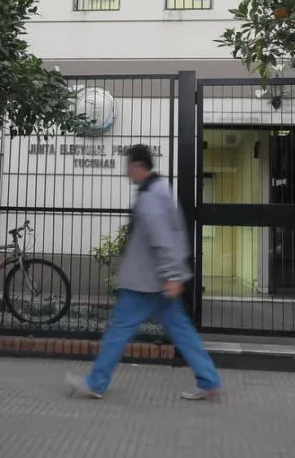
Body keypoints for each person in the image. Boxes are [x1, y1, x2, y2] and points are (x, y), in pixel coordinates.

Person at [67, 144, 222, 400]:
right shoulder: (160, 190)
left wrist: (171, 274)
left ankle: (96, 383)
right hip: (158, 281)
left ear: (138, 166)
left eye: (128, 166)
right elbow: (174, 233)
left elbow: (161, 237)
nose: (126, 172)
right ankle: (209, 379)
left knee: (119, 331)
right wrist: (173, 273)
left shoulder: (150, 195)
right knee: (182, 331)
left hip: (145, 283)